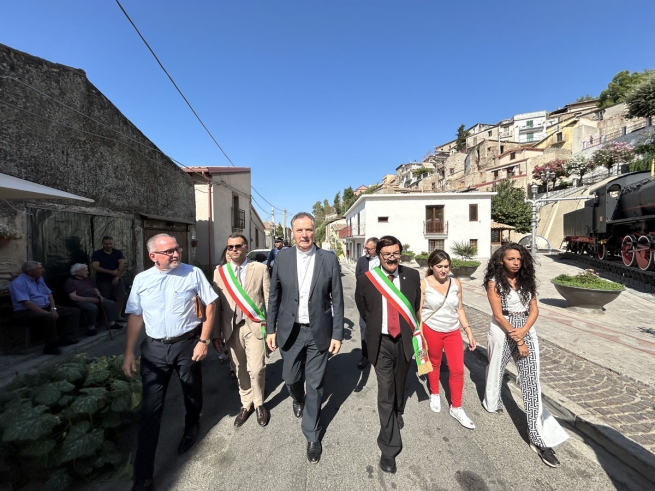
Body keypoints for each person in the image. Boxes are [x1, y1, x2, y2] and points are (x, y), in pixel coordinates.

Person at [122, 234, 217, 491]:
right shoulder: (141, 280)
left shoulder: (193, 273)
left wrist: (203, 341)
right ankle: (143, 476)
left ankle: (191, 425)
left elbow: (210, 305)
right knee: (150, 411)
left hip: (187, 344)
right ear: (153, 256)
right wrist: (129, 352)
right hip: (154, 350)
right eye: (169, 252)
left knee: (192, 393)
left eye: (177, 249)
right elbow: (135, 316)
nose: (176, 254)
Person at [266, 212, 344, 464]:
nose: (304, 235)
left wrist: (337, 333)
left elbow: (339, 300)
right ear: (292, 233)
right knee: (290, 377)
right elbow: (274, 297)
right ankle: (296, 397)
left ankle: (312, 434)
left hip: (318, 331)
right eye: (299, 230)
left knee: (316, 384)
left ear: (314, 232)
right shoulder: (283, 258)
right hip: (290, 331)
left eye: (308, 230)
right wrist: (270, 329)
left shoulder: (328, 259)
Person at [482, 243, 568, 468]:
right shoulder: (494, 282)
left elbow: (535, 309)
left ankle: (538, 437)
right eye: (511, 259)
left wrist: (525, 330)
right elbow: (498, 315)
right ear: (502, 260)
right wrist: (518, 339)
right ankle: (492, 402)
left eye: (519, 259)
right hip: (503, 329)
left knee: (531, 381)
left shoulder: (526, 280)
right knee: (495, 369)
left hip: (526, 327)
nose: (516, 262)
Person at [354, 236, 421, 474]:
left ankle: (397, 411)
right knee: (385, 390)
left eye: (396, 253)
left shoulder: (412, 276)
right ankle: (389, 447)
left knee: (400, 384)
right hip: (380, 342)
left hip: (404, 341)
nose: (392, 258)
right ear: (379, 256)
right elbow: (363, 309)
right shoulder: (366, 280)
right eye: (387, 254)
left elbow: (415, 305)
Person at [212, 234, 270, 427]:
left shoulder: (260, 269)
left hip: (254, 325)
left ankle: (260, 403)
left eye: (238, 246)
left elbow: (268, 298)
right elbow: (216, 305)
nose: (234, 250)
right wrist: (215, 334)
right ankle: (246, 404)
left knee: (257, 367)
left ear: (246, 247)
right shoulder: (220, 273)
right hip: (230, 328)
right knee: (239, 368)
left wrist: (271, 328)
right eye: (230, 247)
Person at [419, 250, 476, 428]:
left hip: (452, 331)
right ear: (431, 266)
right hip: (432, 329)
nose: (444, 270)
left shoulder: (456, 283)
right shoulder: (424, 284)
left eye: (446, 266)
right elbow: (419, 311)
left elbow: (459, 309)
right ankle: (435, 392)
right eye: (439, 267)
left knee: (458, 369)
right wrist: (420, 335)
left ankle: (456, 407)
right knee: (434, 363)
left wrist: (468, 331)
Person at [9, 261, 80, 355]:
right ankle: (51, 346)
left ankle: (64, 338)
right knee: (49, 317)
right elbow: (26, 303)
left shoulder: (39, 278)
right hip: (26, 311)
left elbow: (49, 294)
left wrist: (53, 308)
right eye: (40, 268)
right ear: (30, 272)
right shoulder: (18, 283)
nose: (43, 270)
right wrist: (47, 313)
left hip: (45, 306)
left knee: (74, 311)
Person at [63, 263, 124, 336]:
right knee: (92, 308)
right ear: (77, 272)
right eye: (85, 271)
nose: (87, 272)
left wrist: (99, 295)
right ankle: (91, 327)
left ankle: (111, 323)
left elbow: (95, 289)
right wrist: (88, 299)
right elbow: (73, 296)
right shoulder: (71, 281)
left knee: (110, 303)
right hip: (82, 300)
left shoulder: (87, 279)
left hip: (94, 298)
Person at [355, 237, 380, 369]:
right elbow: (358, 278)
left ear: (376, 249)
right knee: (364, 329)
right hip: (365, 302)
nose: (365, 250)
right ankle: (365, 356)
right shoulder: (361, 261)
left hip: (381, 302)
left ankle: (379, 355)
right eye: (365, 248)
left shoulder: (383, 261)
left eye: (368, 248)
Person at [91, 236, 126, 321]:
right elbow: (95, 266)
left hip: (116, 279)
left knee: (121, 296)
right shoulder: (97, 254)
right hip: (103, 280)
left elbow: (122, 264)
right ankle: (106, 318)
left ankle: (117, 316)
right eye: (106, 244)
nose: (109, 245)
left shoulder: (117, 252)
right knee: (105, 299)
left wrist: (117, 276)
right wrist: (111, 272)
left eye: (110, 243)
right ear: (102, 244)